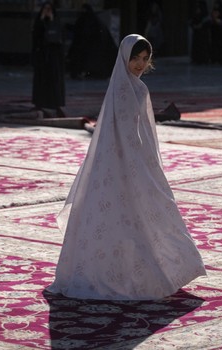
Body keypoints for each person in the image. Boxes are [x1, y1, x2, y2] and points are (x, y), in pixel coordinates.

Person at [46, 34, 207, 300]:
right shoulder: (123, 89)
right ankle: (131, 275)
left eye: (145, 59)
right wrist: (141, 167)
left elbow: (141, 131)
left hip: (129, 161)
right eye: (135, 58)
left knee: (135, 218)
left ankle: (138, 272)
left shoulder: (135, 87)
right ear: (124, 57)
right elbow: (124, 133)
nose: (140, 64)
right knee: (132, 216)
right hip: (121, 164)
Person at [31, 1, 65, 116]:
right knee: (41, 79)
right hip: (42, 56)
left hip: (53, 57)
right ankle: (40, 102)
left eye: (49, 9)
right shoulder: (39, 21)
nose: (47, 11)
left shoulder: (56, 21)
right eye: (45, 9)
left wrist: (51, 21)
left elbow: (57, 37)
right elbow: (36, 36)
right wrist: (42, 20)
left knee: (53, 79)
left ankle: (54, 102)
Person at [189, 0, 210, 65]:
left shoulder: (205, 15)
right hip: (197, 33)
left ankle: (203, 59)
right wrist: (194, 26)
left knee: (202, 47)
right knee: (197, 46)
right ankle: (196, 59)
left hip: (203, 34)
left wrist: (201, 26)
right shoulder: (196, 14)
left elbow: (207, 23)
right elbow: (192, 21)